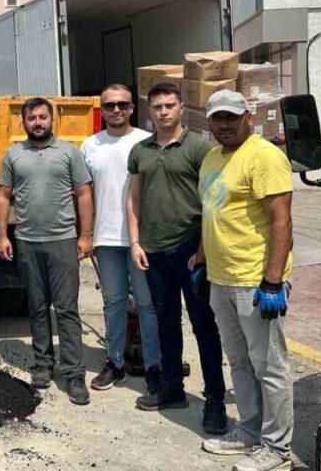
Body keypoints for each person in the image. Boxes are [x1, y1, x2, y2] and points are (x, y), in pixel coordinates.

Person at [197, 90, 294, 471]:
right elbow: (213, 211)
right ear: (209, 121)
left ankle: (277, 448)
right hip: (221, 278)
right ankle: (250, 430)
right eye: (217, 118)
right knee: (239, 361)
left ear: (247, 118)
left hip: (254, 280)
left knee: (269, 367)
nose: (224, 125)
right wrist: (202, 257)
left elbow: (281, 221)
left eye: (231, 117)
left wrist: (272, 282)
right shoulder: (212, 158)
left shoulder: (264, 156)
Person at [126, 81, 228, 434]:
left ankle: (215, 400)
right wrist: (135, 242)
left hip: (190, 251)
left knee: (204, 325)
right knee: (165, 322)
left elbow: (213, 202)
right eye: (157, 107)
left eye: (170, 105)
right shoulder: (140, 151)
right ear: (149, 110)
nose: (164, 111)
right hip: (153, 251)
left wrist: (202, 249)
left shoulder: (200, 148)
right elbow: (133, 199)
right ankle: (172, 389)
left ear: (181, 108)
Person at [0, 97, 94, 405]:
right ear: (23, 122)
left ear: (52, 120)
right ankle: (42, 364)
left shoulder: (69, 152)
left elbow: (84, 193)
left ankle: (74, 373)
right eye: (32, 118)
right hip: (27, 241)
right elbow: (3, 196)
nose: (37, 122)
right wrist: (2, 235)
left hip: (62, 241)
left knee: (66, 308)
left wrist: (86, 235)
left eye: (42, 117)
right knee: (37, 307)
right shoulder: (14, 154)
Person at [80, 84, 162, 394]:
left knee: (146, 304)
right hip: (106, 238)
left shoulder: (147, 141)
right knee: (113, 302)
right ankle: (114, 363)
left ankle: (154, 366)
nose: (116, 109)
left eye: (122, 104)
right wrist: (86, 234)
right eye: (110, 105)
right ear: (101, 110)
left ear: (131, 108)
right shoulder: (89, 146)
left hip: (142, 239)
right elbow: (83, 194)